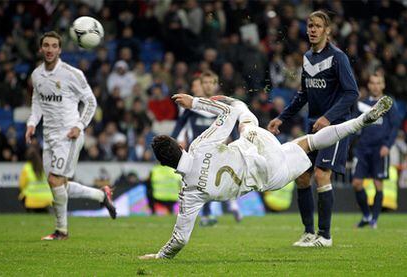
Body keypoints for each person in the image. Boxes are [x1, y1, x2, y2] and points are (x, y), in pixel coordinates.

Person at [139, 92, 392, 259]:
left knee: (309, 144)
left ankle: (359, 122)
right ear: (180, 146)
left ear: (166, 166)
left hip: (270, 177)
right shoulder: (198, 146)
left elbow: (180, 239)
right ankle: (361, 121)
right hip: (259, 145)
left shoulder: (189, 193)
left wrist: (161, 256)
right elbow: (227, 114)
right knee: (246, 117)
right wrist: (195, 102)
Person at [267, 11, 359, 247]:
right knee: (301, 176)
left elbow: (352, 93)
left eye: (318, 26)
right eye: (310, 25)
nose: (313, 30)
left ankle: (325, 236)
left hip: (335, 126)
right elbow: (304, 94)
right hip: (313, 126)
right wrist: (282, 118)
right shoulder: (307, 57)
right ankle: (309, 233)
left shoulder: (338, 58)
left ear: (327, 30)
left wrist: (329, 118)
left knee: (321, 174)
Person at [25, 31, 117, 240]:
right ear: (41, 49)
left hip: (69, 135)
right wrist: (32, 123)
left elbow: (91, 101)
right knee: (58, 184)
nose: (49, 49)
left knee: (55, 180)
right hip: (48, 137)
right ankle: (101, 195)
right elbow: (37, 102)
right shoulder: (36, 75)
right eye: (46, 45)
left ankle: (61, 231)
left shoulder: (71, 74)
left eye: (54, 46)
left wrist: (79, 125)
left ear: (60, 49)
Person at [171, 71, 241, 226]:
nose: (209, 85)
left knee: (207, 182)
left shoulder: (223, 106)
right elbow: (180, 124)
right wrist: (173, 139)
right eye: (206, 83)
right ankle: (220, 207)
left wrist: (237, 142)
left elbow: (231, 125)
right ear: (201, 85)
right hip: (195, 151)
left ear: (216, 85)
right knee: (198, 183)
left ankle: (210, 212)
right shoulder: (194, 105)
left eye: (212, 82)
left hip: (216, 150)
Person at [352, 74, 400, 229]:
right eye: (372, 83)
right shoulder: (361, 105)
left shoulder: (388, 104)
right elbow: (354, 125)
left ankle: (374, 220)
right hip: (363, 148)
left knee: (378, 184)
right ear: (368, 85)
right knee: (357, 183)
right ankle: (366, 215)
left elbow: (394, 126)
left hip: (379, 149)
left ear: (383, 85)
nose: (375, 86)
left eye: (378, 83)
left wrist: (387, 145)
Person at [19, 147, 53, 212]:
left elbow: (22, 185)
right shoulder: (44, 166)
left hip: (31, 200)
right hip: (46, 200)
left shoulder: (26, 167)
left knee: (21, 195)